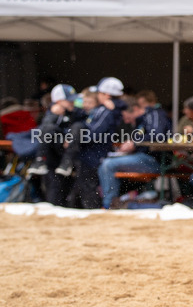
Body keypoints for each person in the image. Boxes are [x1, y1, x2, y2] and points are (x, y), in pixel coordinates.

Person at [97, 90, 172, 209]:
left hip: (155, 160)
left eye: (127, 117)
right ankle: (115, 202)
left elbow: (158, 135)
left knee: (108, 165)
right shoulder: (141, 120)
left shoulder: (154, 114)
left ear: (136, 109)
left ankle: (109, 205)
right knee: (104, 163)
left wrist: (135, 143)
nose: (126, 121)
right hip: (142, 158)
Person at [65, 78, 126, 209]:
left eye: (100, 93)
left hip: (94, 154)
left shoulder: (107, 111)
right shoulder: (104, 109)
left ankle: (93, 212)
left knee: (88, 187)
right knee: (82, 186)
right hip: (91, 153)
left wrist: (76, 139)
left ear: (106, 95)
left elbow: (94, 133)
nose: (98, 95)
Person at [27, 84, 84, 205]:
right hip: (54, 159)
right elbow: (43, 132)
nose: (72, 102)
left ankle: (66, 163)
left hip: (71, 156)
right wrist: (54, 115)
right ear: (58, 101)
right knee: (54, 194)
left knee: (70, 197)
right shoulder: (51, 113)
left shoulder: (76, 111)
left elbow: (83, 121)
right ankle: (39, 161)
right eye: (69, 100)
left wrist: (70, 136)